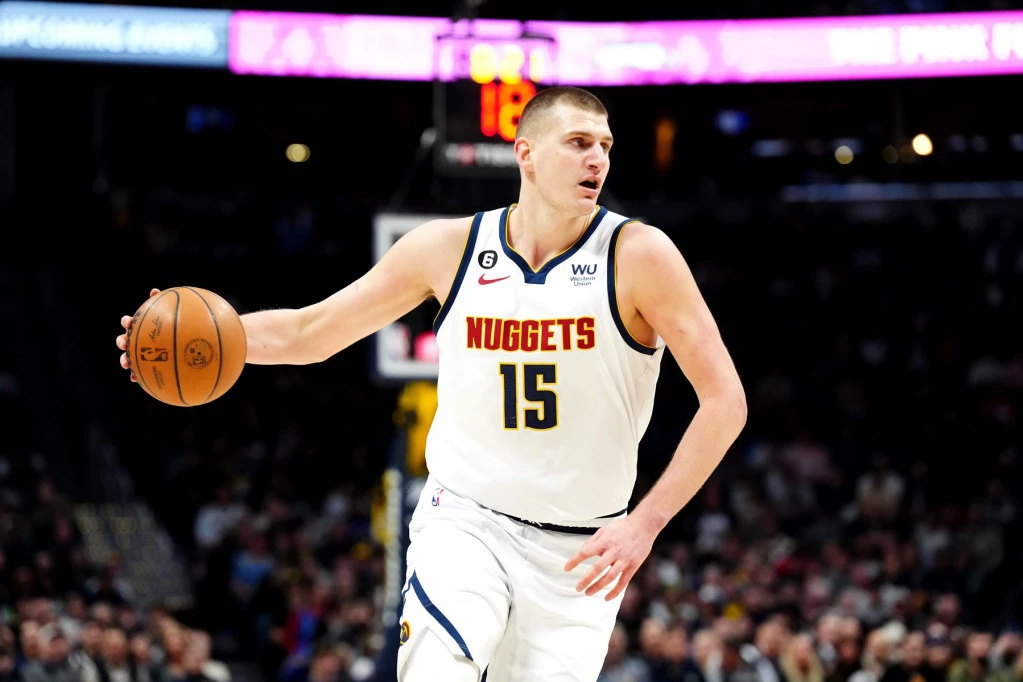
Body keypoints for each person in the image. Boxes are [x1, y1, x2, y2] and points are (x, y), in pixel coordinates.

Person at [116, 86, 747, 682]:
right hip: (466, 521)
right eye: (578, 142)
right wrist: (205, 340)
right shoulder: (449, 249)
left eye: (605, 145)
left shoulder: (639, 255)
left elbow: (726, 401)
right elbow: (314, 331)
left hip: (580, 553)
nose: (597, 159)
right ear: (526, 153)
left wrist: (646, 524)